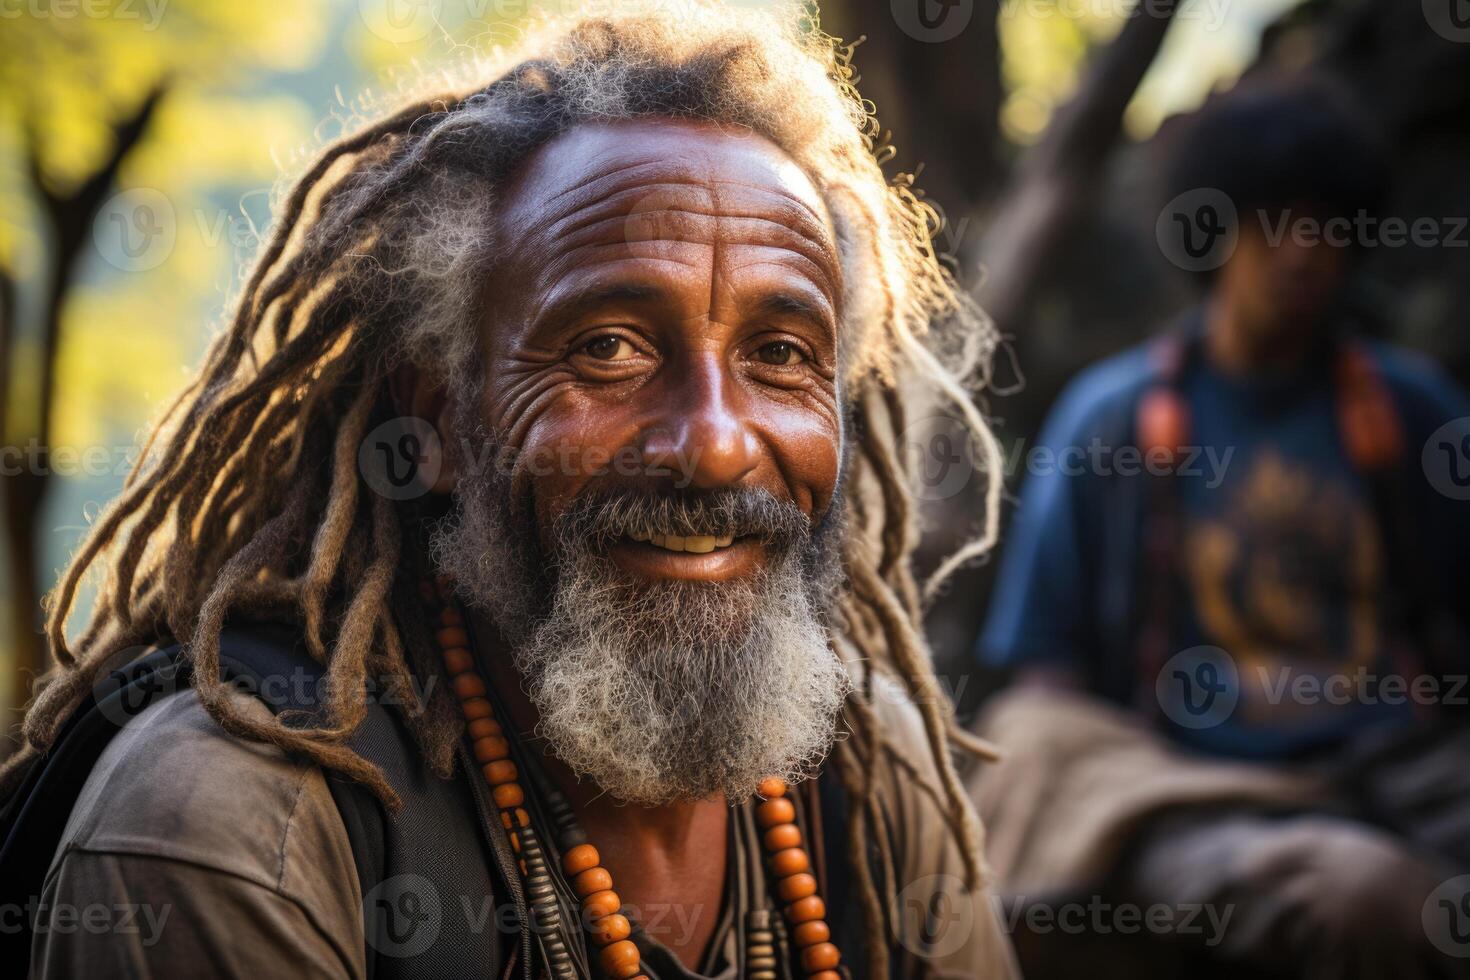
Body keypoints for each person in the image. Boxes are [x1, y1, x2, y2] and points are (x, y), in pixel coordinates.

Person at [0, 4, 1020, 978]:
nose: (714, 443)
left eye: (782, 352)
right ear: (438, 417)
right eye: (608, 346)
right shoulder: (232, 825)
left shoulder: (872, 777)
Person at [970, 75, 1470, 979]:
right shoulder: (1112, 422)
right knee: (1361, 894)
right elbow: (1043, 663)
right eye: (1274, 221)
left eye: (1328, 225)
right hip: (1188, 790)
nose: (1304, 252)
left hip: (1398, 770)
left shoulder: (1409, 411)